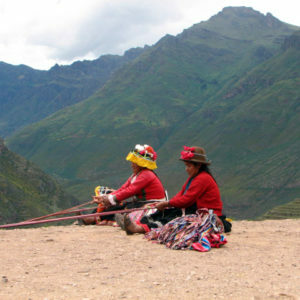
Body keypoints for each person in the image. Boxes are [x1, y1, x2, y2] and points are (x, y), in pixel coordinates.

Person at [124, 145, 232, 234]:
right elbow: (181, 194)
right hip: (196, 208)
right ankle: (140, 225)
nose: (186, 169)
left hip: (206, 213)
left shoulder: (203, 178)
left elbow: (186, 200)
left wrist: (167, 203)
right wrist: (167, 204)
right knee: (165, 213)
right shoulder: (195, 177)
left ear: (198, 165)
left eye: (189, 166)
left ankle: (140, 229)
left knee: (174, 218)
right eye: (186, 166)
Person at [86, 144, 166, 227]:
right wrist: (105, 197)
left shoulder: (146, 175)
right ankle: (93, 218)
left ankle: (94, 219)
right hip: (140, 202)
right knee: (117, 206)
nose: (132, 164)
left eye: (135, 162)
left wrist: (111, 199)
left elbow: (130, 191)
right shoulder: (136, 175)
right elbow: (124, 188)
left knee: (122, 209)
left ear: (141, 163)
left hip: (151, 204)